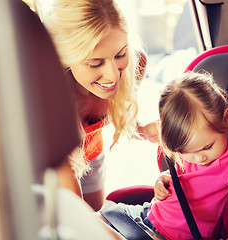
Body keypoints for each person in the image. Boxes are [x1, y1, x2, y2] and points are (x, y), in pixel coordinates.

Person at [101, 71, 228, 240]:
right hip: (144, 216)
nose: (199, 158)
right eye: (184, 152)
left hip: (165, 236)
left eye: (207, 147)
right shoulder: (186, 137)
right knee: (87, 219)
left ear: (225, 119)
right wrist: (164, 179)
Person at [34, 0, 158, 211]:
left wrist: (144, 130)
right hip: (49, 169)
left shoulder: (135, 65)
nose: (113, 75)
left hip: (91, 158)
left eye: (120, 54)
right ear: (64, 59)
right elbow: (66, 172)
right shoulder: (47, 94)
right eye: (95, 63)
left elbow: (120, 111)